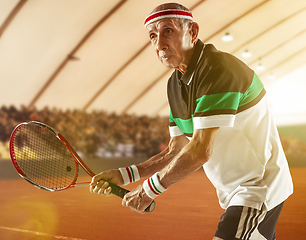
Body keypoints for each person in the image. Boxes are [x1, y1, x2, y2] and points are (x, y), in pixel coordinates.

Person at [90, 3, 293, 240]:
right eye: (153, 36)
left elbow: (199, 150)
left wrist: (148, 190)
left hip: (258, 188)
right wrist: (124, 175)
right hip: (236, 192)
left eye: (168, 31)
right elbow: (176, 149)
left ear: (193, 32)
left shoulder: (218, 70)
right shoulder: (174, 84)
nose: (159, 44)